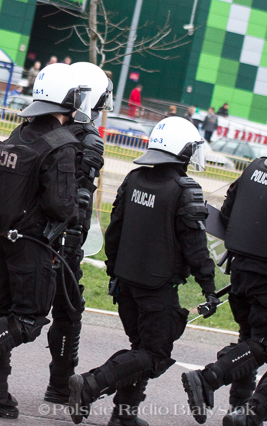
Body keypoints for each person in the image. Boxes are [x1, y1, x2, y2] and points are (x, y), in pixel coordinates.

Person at [0, 64, 113, 418]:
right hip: (45, 243)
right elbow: (71, 203)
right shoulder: (71, 141)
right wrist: (68, 243)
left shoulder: (24, 129)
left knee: (1, 306)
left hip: (5, 235)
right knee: (32, 318)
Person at [69, 117, 217, 426]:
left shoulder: (134, 178)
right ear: (182, 151)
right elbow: (196, 246)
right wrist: (208, 286)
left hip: (126, 284)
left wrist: (113, 272)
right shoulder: (185, 189)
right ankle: (92, 383)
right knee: (155, 355)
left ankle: (124, 415)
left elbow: (114, 232)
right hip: (157, 288)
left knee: (141, 350)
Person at [43, 63, 113, 405]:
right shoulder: (87, 139)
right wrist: (75, 240)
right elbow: (80, 199)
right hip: (61, 239)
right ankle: (59, 385)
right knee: (68, 311)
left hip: (27, 230)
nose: (101, 113)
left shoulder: (41, 127)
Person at [182, 154, 267, 424]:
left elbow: (228, 212)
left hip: (239, 271)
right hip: (264, 276)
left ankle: (239, 411)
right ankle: (210, 377)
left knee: (249, 342)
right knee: (261, 344)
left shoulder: (255, 167)